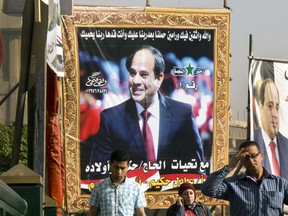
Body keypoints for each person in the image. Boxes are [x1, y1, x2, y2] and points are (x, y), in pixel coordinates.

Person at [82, 45, 205, 180]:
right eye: (132, 73)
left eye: (144, 74)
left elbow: (196, 173)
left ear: (159, 79)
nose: (135, 81)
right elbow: (97, 174)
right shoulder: (111, 118)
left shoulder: (183, 114)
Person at [201, 140, 288, 215]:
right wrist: (230, 166)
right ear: (241, 160)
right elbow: (208, 189)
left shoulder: (280, 184)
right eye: (246, 157)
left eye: (254, 156)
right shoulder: (233, 184)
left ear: (261, 156)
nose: (250, 160)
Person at [89, 150, 147, 216]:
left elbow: (141, 213)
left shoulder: (135, 187)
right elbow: (92, 213)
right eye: (116, 167)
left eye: (123, 168)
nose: (119, 172)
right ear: (110, 164)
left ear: (128, 166)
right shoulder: (99, 187)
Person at [254, 78, 288, 179]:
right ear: (260, 106)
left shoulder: (286, 144)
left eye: (277, 107)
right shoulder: (253, 142)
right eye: (270, 106)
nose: (274, 114)